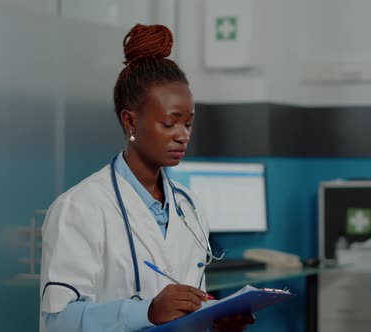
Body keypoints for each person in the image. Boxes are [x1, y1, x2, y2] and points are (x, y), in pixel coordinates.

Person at [40, 24, 254, 331]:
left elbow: (189, 310)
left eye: (188, 124)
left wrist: (214, 321)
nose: (183, 136)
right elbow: (58, 322)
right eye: (169, 124)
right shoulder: (79, 208)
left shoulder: (188, 206)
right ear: (130, 121)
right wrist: (146, 313)